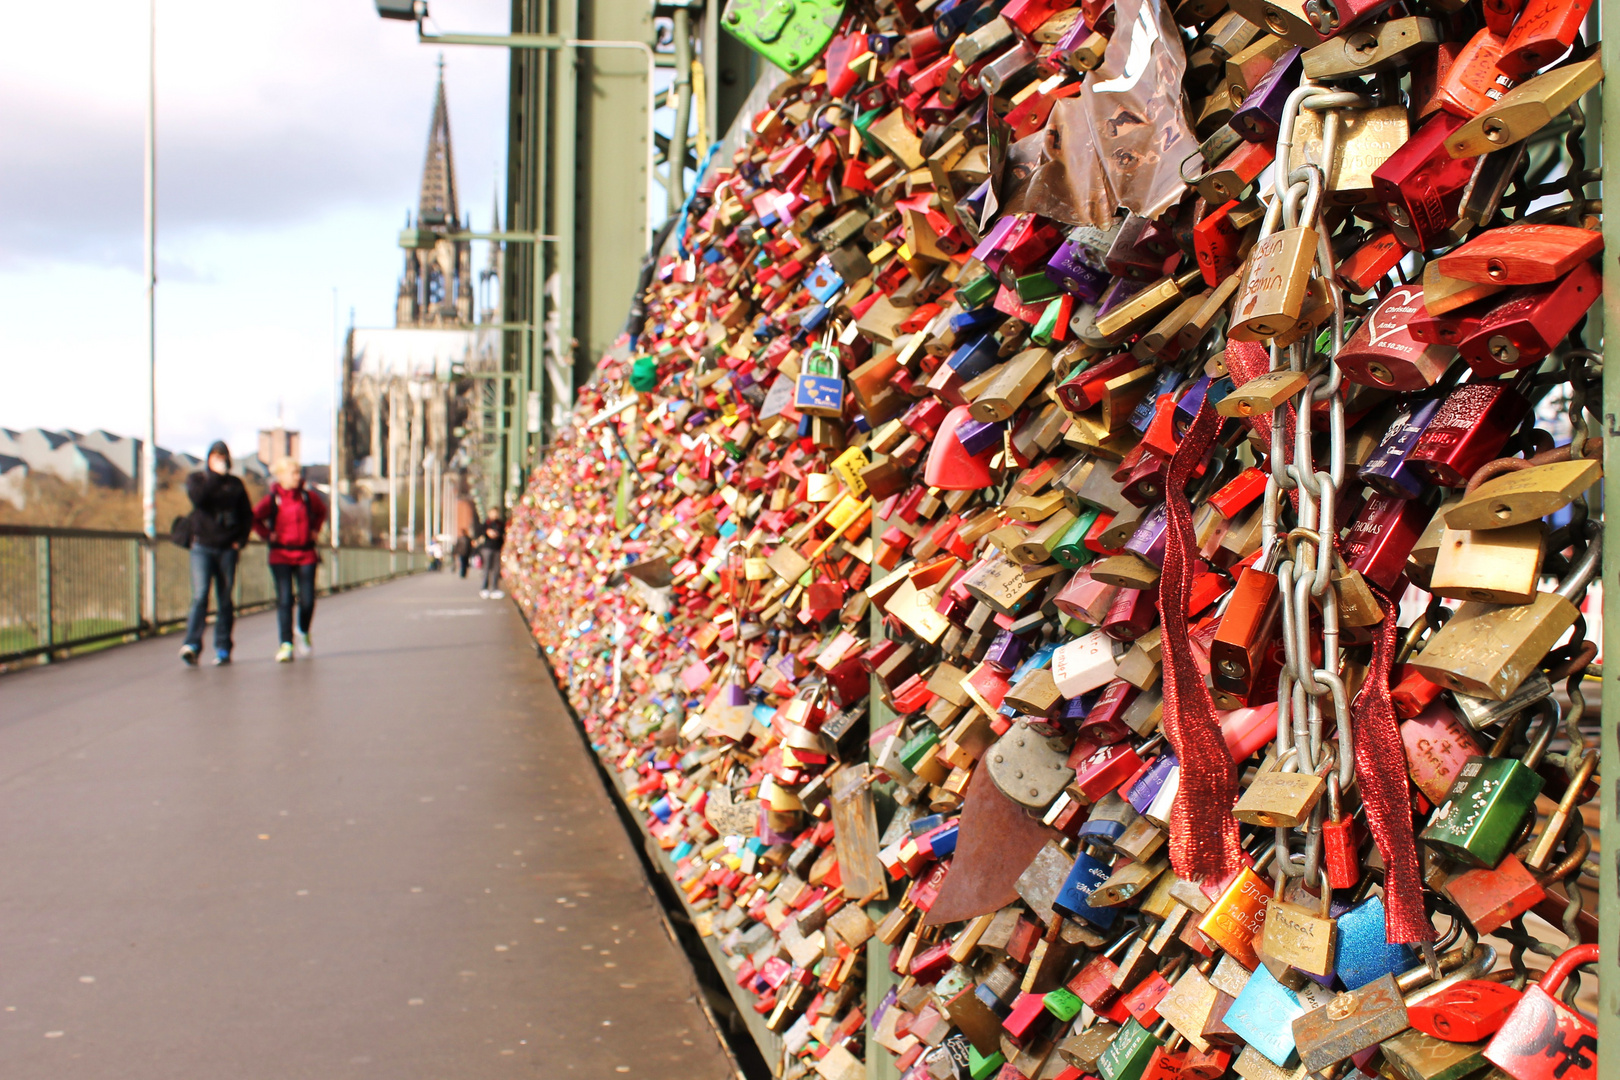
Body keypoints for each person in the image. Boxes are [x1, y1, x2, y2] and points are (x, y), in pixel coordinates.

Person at [180, 441, 254, 665]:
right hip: (202, 546)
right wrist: (214, 476)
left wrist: (240, 541)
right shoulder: (198, 480)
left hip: (226, 548)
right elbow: (198, 499)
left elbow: (247, 514)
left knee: (224, 599)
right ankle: (192, 644)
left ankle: (222, 647)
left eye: (222, 458)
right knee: (201, 595)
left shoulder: (236, 485)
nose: (219, 461)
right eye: (215, 457)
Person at [253, 458, 328, 663]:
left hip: (306, 554)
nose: (298, 477)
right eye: (293, 473)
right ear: (282, 476)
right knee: (285, 600)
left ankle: (303, 630)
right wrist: (267, 535)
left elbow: (322, 512)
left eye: (298, 472)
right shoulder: (273, 499)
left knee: (308, 599)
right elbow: (254, 518)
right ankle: (286, 644)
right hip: (281, 555)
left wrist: (315, 530)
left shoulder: (307, 496)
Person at [477, 511, 505, 599]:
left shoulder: (500, 523)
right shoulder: (486, 523)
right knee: (487, 568)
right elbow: (479, 532)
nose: (495, 515)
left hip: (497, 548)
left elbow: (503, 533)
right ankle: (484, 588)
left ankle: (495, 588)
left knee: (496, 569)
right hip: (487, 548)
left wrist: (497, 534)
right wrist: (487, 532)